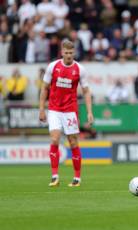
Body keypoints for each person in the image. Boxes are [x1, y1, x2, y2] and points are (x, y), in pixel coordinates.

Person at [39, 40, 94, 188]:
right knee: (55, 139)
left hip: (70, 111)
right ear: (62, 52)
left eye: (71, 53)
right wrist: (41, 109)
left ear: (73, 53)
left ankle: (77, 178)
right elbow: (44, 88)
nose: (69, 55)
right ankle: (54, 176)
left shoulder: (80, 69)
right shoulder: (53, 66)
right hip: (54, 109)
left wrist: (89, 112)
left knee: (73, 142)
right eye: (66, 52)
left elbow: (86, 91)